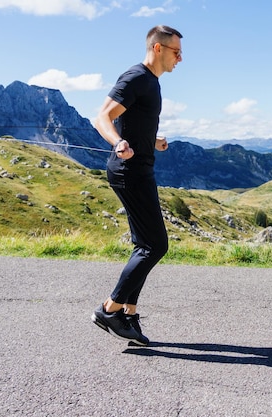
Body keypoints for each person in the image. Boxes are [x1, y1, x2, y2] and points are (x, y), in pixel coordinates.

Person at [91, 25, 183, 346]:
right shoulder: (136, 77)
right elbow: (102, 116)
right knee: (155, 245)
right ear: (158, 49)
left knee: (145, 244)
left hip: (140, 167)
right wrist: (118, 142)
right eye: (176, 51)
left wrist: (151, 140)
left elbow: (132, 119)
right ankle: (110, 309)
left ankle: (128, 312)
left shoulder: (151, 83)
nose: (180, 58)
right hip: (129, 170)